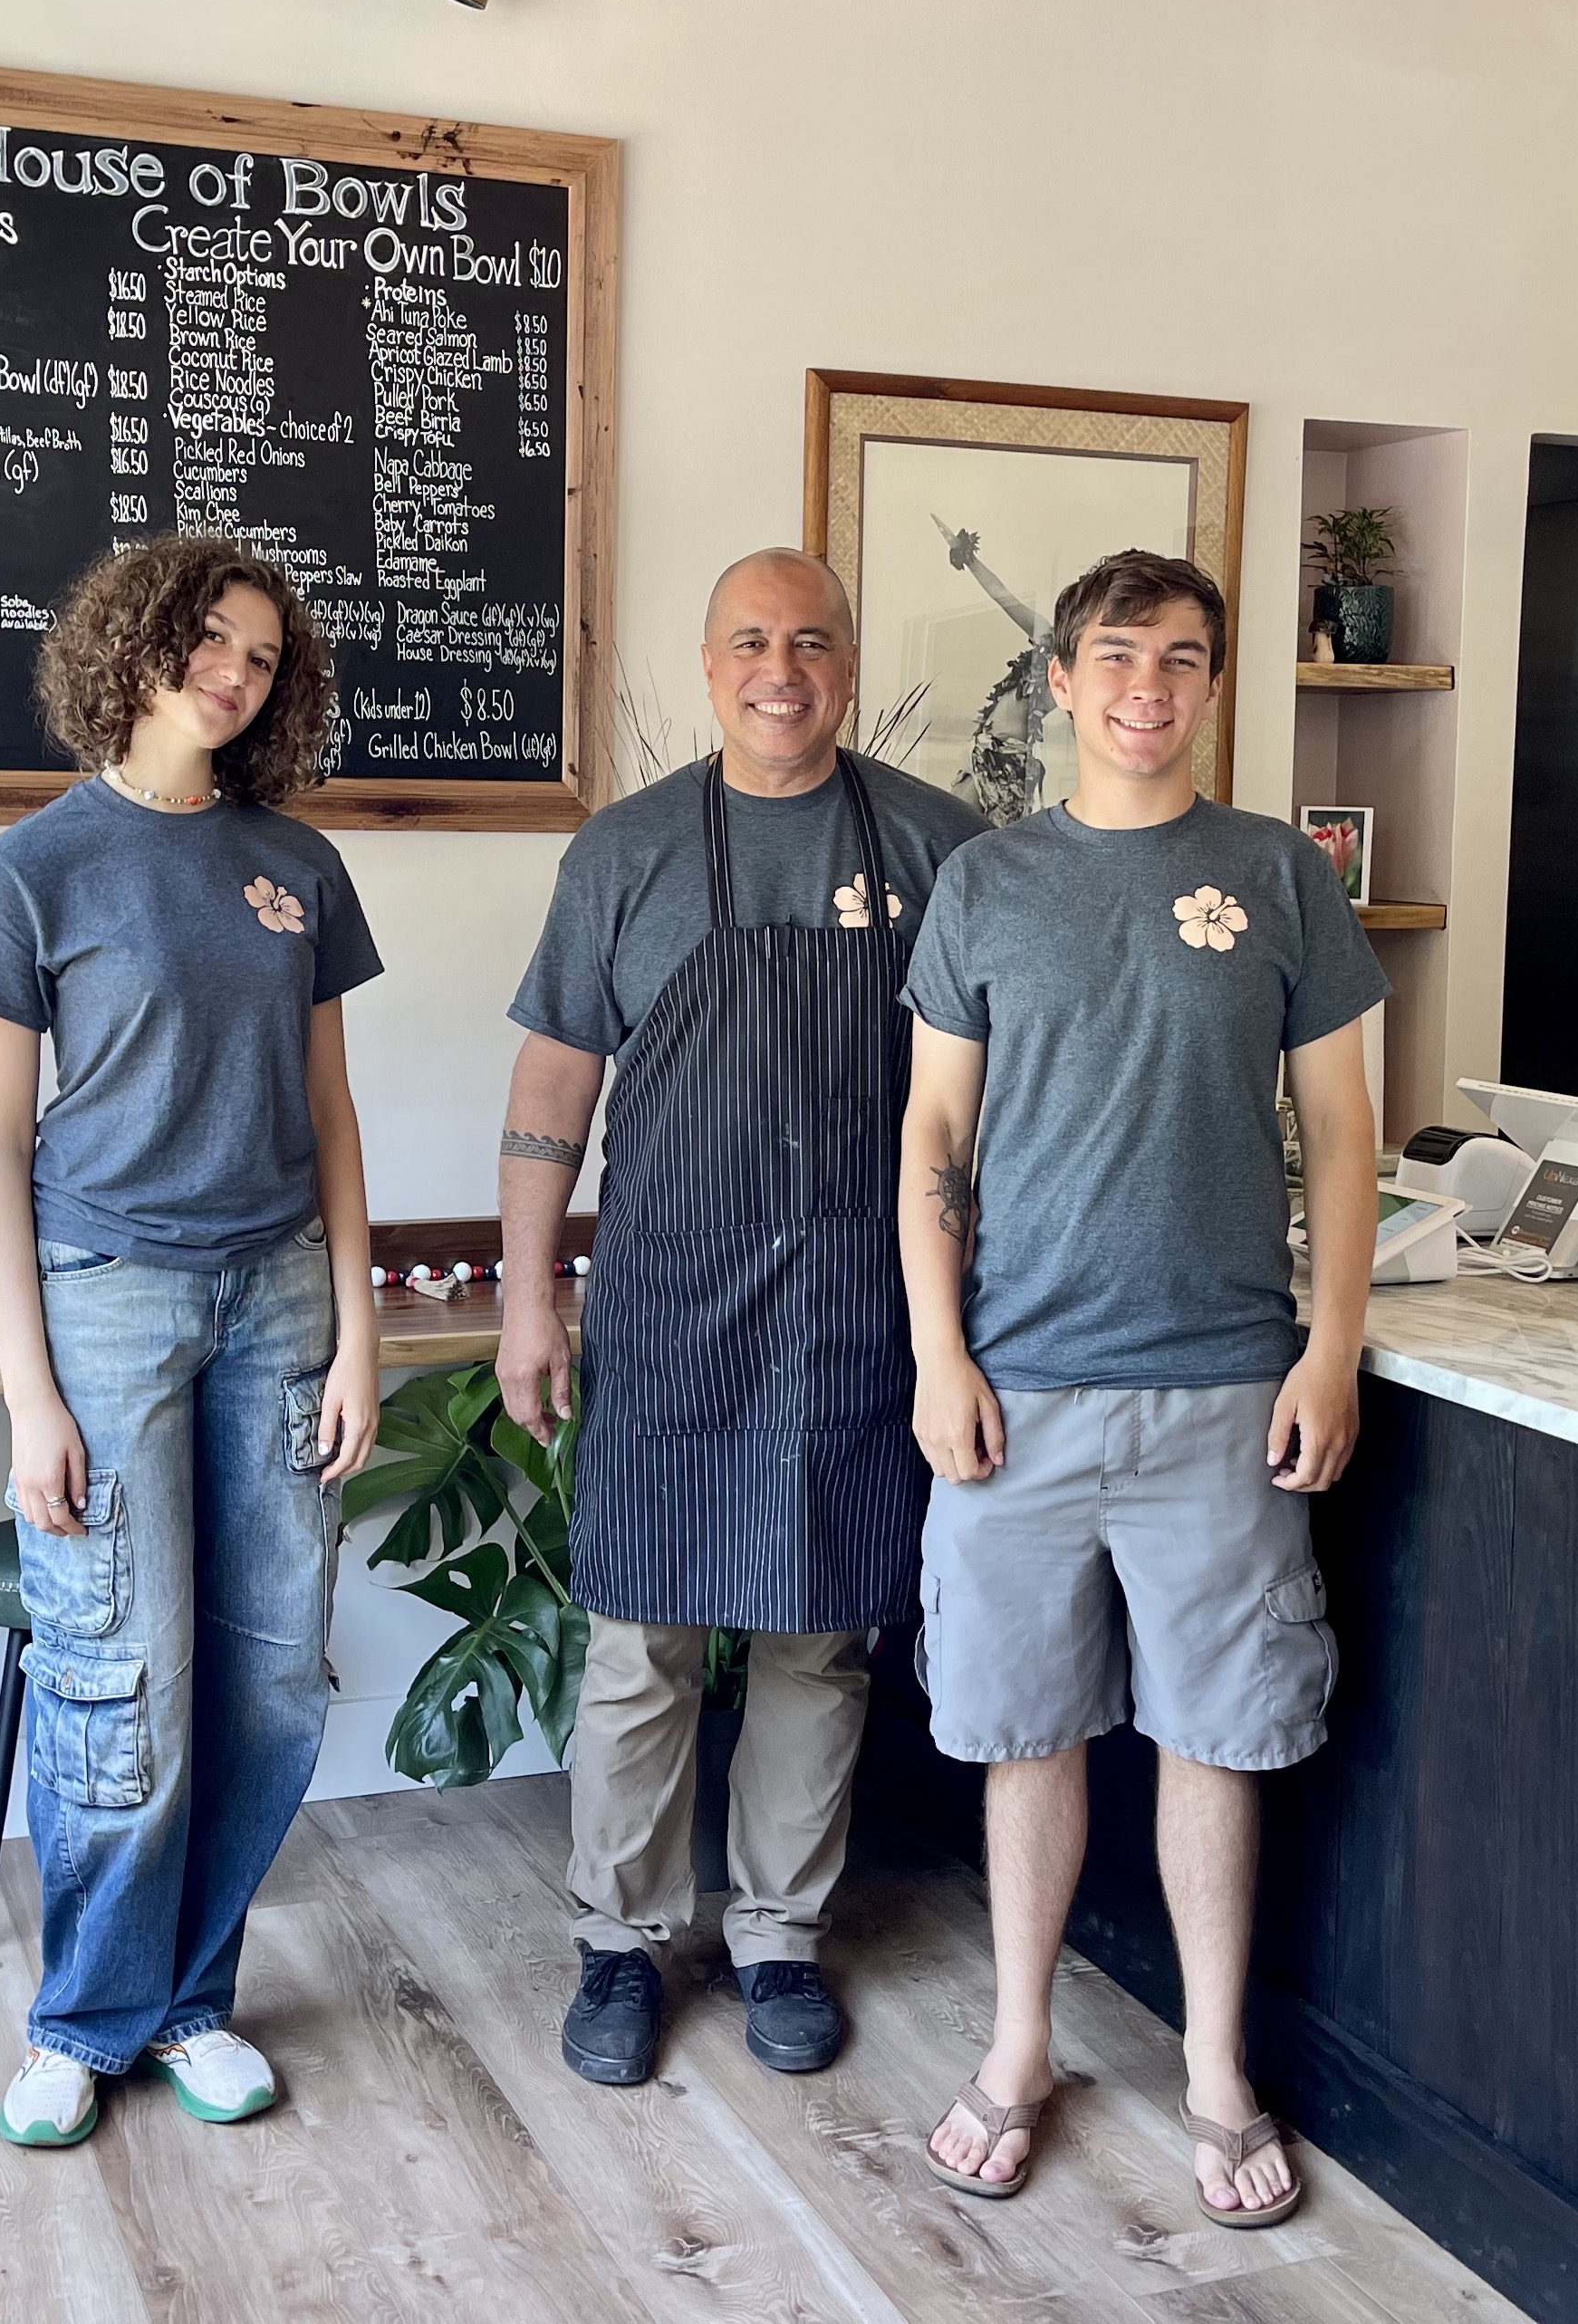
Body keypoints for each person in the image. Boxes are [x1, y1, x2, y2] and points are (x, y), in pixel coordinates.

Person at [897, 548, 1383, 2228]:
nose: (1146, 688)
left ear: (1212, 683)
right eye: (1114, 656)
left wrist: (1333, 1343)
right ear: (1060, 681)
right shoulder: (987, 884)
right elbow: (932, 1142)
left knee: (1215, 1736)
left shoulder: (1278, 874)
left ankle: (1217, 2070)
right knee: (1024, 1736)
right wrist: (937, 1353)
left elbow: (1339, 1132)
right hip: (1015, 1394)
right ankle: (1022, 2045)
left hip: (1223, 1395)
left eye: (1181, 657)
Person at [495, 547, 991, 2085]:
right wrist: (529, 1296)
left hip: (860, 1306)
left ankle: (782, 1936)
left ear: (849, 663)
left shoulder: (940, 847)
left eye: (814, 642)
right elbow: (554, 1086)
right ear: (708, 666)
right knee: (642, 1641)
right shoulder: (624, 852)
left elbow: (981, 1107)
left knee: (816, 1641)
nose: (784, 669)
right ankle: (621, 1945)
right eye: (752, 643)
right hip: (667, 1301)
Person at [0, 532, 385, 2152]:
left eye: (263, 656)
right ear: (132, 644)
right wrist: (27, 1396)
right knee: (120, 1674)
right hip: (106, 1305)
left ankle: (194, 1998)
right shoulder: (35, 870)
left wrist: (357, 1334)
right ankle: (83, 2020)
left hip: (278, 1302)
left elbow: (331, 1113)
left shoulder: (300, 868)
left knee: (269, 1681)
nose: (234, 673)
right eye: (210, 640)